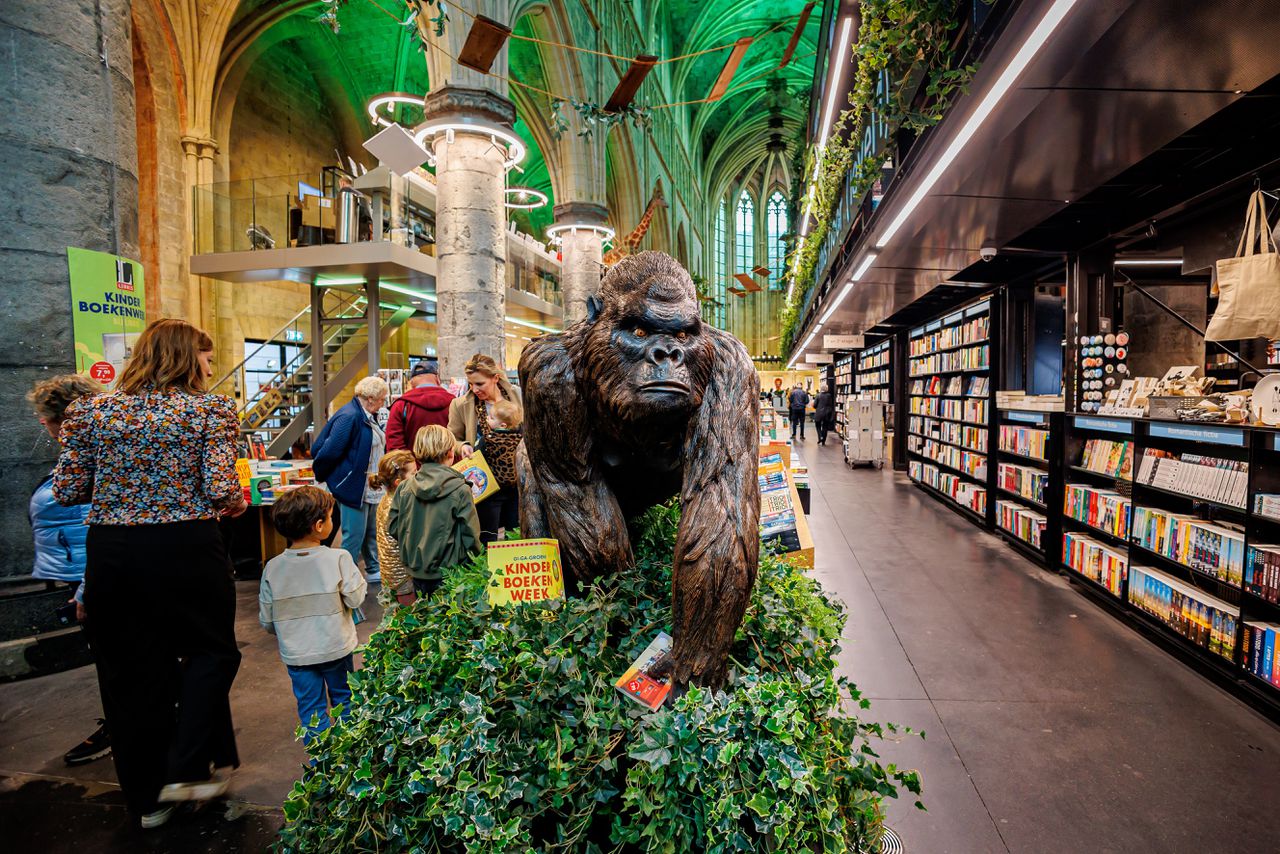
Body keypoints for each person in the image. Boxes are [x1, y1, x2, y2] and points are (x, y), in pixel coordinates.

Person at [52, 318, 247, 830]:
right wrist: (233, 504)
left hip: (114, 550)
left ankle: (147, 800)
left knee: (131, 670)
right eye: (206, 357)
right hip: (186, 543)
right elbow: (221, 485)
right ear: (188, 357)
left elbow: (68, 489)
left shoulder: (91, 412)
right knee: (212, 650)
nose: (211, 366)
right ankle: (187, 766)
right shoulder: (209, 409)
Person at [28, 374, 110, 766]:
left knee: (116, 661)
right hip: (82, 574)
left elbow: (98, 527)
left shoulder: (91, 459)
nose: (43, 426)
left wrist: (86, 588)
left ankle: (126, 725)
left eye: (48, 418)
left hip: (94, 579)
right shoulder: (82, 454)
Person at [258, 486, 367, 742]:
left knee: (311, 710)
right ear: (319, 525)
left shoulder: (272, 568)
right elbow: (355, 597)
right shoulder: (338, 558)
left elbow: (267, 620)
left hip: (297, 654)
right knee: (344, 700)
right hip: (335, 647)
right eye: (330, 517)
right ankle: (347, 760)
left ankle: (321, 768)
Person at [388, 425, 481, 598]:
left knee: (423, 616)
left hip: (415, 569)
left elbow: (393, 527)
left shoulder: (404, 488)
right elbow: (471, 536)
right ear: (450, 453)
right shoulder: (460, 490)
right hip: (451, 572)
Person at [311, 376, 389, 584]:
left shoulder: (364, 414)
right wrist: (333, 478)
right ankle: (348, 577)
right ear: (370, 399)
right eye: (382, 399)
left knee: (370, 531)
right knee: (353, 535)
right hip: (354, 486)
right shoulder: (350, 416)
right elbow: (328, 451)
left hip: (368, 487)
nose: (384, 403)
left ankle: (372, 569)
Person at [447, 354, 523, 544]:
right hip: (484, 483)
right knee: (486, 536)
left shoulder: (518, 397)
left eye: (480, 383)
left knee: (517, 534)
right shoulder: (460, 405)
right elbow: (452, 437)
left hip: (518, 481)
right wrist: (463, 446)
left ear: (495, 378)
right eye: (471, 384)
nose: (474, 389)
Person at [371, 450, 418, 608]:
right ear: (399, 482)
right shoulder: (400, 507)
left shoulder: (386, 500)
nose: (418, 476)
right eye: (414, 473)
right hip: (403, 578)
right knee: (408, 620)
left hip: (389, 575)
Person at [384, 359, 454, 452]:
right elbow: (461, 439)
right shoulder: (454, 402)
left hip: (414, 465)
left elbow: (394, 444)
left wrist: (410, 465)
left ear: (411, 382)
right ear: (437, 379)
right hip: (450, 464)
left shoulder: (401, 405)